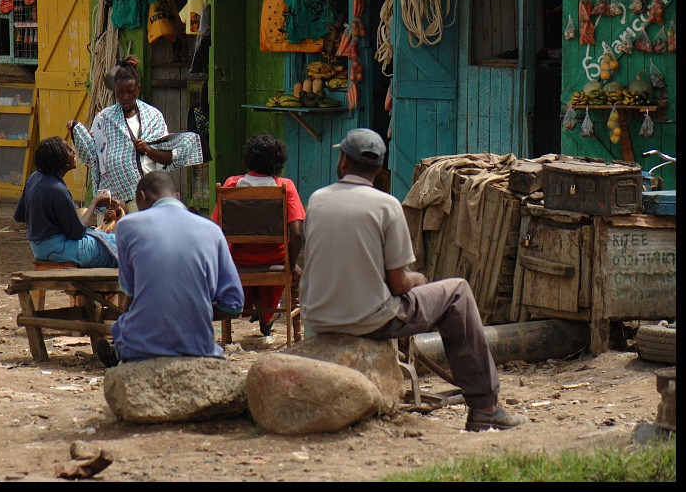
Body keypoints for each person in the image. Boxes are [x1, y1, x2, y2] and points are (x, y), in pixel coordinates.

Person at [299, 128, 526, 432]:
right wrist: (416, 279)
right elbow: (397, 285)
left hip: (318, 316)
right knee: (457, 292)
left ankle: (485, 405)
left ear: (342, 162)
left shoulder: (317, 200)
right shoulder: (386, 206)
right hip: (367, 319)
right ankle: (485, 405)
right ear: (379, 169)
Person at [96, 170, 244, 366]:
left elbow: (130, 294)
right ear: (177, 196)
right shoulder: (212, 230)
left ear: (141, 197)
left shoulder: (127, 226)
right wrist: (193, 310)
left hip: (143, 346)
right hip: (198, 347)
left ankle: (119, 350)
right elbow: (234, 305)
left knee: (126, 324)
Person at [66, 54, 203, 213]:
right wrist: (77, 133)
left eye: (130, 91)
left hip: (147, 194)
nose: (125, 97)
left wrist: (148, 150)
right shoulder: (104, 119)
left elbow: (168, 157)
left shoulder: (153, 116)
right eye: (120, 93)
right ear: (114, 91)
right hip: (114, 197)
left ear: (138, 88)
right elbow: (92, 157)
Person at [210, 133, 305, 337]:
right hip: (275, 258)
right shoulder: (285, 186)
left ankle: (257, 308)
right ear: (278, 162)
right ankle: (268, 313)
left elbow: (214, 228)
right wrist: (290, 264)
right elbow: (297, 234)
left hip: (239, 259)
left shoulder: (231, 185)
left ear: (248, 159)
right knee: (287, 258)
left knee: (238, 251)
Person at [13, 136, 119, 268]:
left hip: (39, 248)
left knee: (107, 239)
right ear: (61, 160)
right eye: (69, 150)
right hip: (60, 251)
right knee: (119, 247)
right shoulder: (57, 190)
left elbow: (19, 216)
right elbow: (77, 233)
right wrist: (95, 202)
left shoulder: (34, 178)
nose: (73, 153)